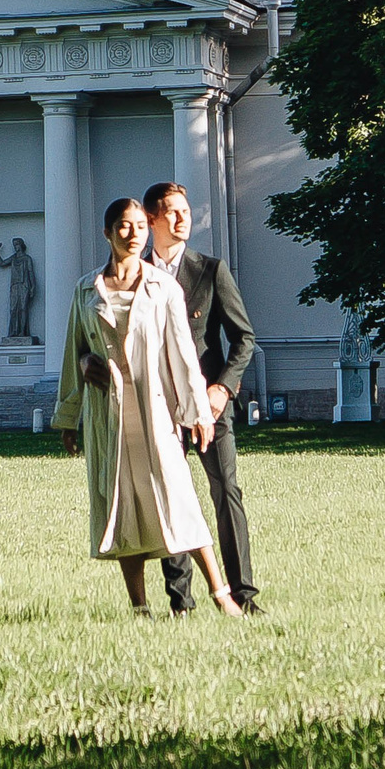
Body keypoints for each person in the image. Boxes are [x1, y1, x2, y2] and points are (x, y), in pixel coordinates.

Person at [51, 197, 244, 616]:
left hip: (156, 410)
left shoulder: (163, 287)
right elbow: (74, 352)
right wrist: (70, 414)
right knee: (124, 506)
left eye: (140, 225)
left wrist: (198, 413)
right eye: (124, 225)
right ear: (107, 232)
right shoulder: (86, 289)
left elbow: (183, 355)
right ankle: (139, 607)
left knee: (178, 500)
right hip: (109, 413)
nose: (134, 233)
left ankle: (222, 596)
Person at [142, 181, 263, 616]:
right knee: (170, 499)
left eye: (186, 211)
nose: (183, 219)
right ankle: (181, 603)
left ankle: (244, 596)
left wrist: (223, 388)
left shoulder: (211, 271)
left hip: (210, 406)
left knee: (226, 490)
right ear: (152, 219)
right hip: (159, 408)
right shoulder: (136, 275)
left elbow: (244, 338)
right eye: (173, 212)